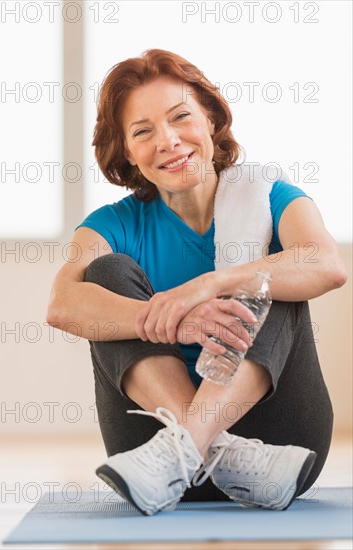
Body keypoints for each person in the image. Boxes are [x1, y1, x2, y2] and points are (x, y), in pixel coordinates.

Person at [46, 49, 347, 516]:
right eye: (143, 131)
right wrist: (177, 321)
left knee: (272, 270)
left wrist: (209, 283)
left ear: (210, 120)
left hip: (278, 441)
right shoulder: (111, 224)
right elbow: (63, 304)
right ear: (127, 151)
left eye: (180, 117)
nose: (167, 140)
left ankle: (191, 443)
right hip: (155, 453)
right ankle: (202, 447)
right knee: (101, 277)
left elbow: (327, 264)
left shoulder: (271, 196)